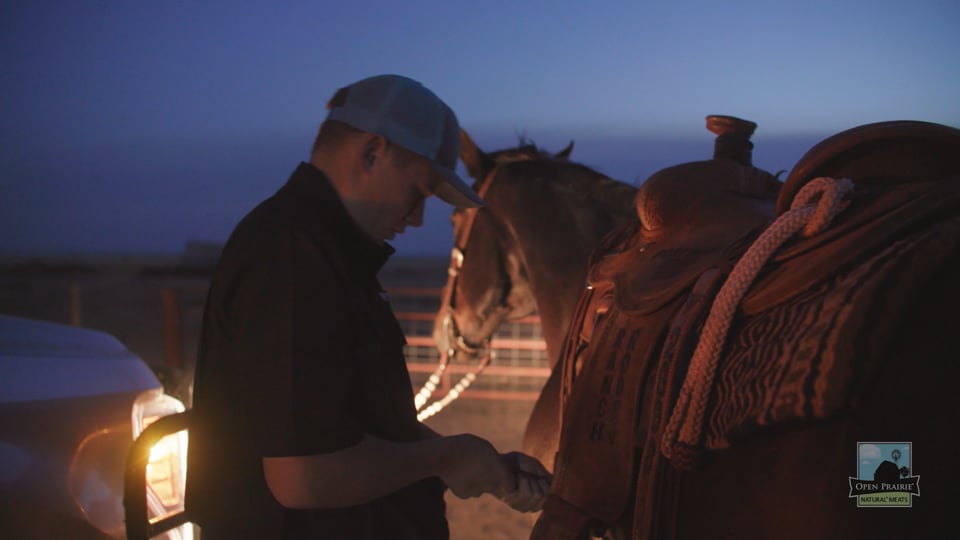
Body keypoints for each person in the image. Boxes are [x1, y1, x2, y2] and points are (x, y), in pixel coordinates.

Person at [184, 74, 551, 539]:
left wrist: (486, 468)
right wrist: (448, 457)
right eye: (418, 192)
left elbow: (358, 425)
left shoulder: (327, 255)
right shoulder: (293, 254)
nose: (417, 219)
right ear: (372, 152)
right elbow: (305, 476)